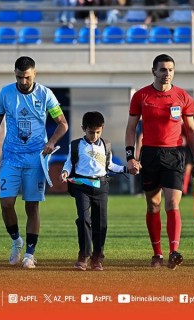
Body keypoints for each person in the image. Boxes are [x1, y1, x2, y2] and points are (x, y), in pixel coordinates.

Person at [0, 56, 69, 269]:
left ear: (35, 74)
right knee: (6, 204)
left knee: (32, 206)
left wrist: (51, 142)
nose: (23, 81)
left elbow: (63, 124)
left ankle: (30, 253)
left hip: (35, 157)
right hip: (11, 156)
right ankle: (16, 241)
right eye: (20, 77)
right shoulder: (5, 94)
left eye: (27, 77)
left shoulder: (45, 94)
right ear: (15, 74)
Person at [124, 54, 194, 270]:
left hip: (175, 154)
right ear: (154, 71)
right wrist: (131, 156)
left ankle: (173, 251)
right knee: (154, 205)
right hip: (150, 155)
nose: (167, 74)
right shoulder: (141, 96)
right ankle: (157, 253)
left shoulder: (183, 97)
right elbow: (131, 128)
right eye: (163, 70)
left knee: (172, 203)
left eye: (170, 70)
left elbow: (191, 130)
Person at [60, 111, 128, 271]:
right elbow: (69, 163)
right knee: (84, 219)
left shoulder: (106, 145)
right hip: (81, 186)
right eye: (91, 132)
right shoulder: (75, 145)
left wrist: (127, 168)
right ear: (84, 128)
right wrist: (65, 172)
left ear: (102, 129)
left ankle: (97, 258)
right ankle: (83, 256)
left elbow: (110, 166)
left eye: (98, 132)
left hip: (101, 186)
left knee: (101, 223)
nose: (94, 136)